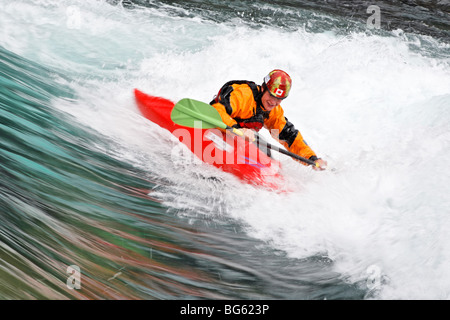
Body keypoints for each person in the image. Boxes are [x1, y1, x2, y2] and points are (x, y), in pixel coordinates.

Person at [210, 69, 327, 170]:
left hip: (238, 142)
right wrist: (236, 129)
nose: (273, 102)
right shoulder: (243, 94)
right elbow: (216, 110)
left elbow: (290, 137)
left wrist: (312, 158)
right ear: (263, 89)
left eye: (279, 99)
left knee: (265, 150)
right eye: (271, 96)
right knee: (257, 142)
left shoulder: (273, 111)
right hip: (216, 131)